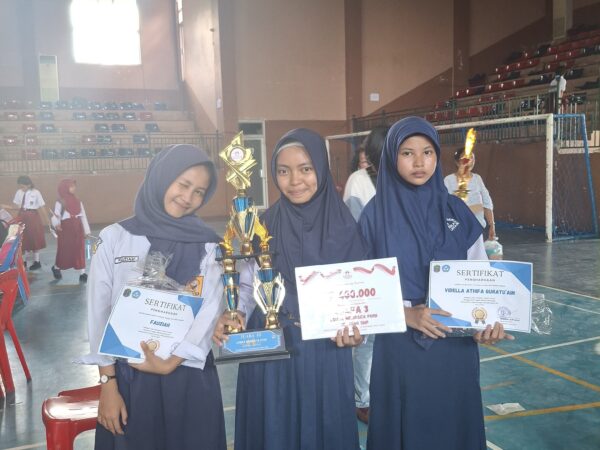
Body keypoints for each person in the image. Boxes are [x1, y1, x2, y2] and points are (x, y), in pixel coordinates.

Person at [359, 117, 513, 450]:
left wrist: (485, 322)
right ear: (391, 157)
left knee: (452, 428)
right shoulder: (373, 217)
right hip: (401, 350)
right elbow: (362, 292)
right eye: (407, 153)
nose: (419, 162)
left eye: (427, 152)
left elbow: (480, 274)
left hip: (454, 349)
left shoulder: (456, 210)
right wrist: (407, 315)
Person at [214, 128, 369, 450]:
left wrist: (359, 331)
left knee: (323, 428)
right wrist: (235, 312)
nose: (295, 180)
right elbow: (248, 284)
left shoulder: (346, 226)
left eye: (305, 169)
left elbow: (360, 293)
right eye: (283, 171)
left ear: (321, 170)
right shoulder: (263, 223)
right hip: (271, 346)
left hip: (326, 350)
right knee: (274, 429)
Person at [83, 144, 233, 450]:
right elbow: (98, 313)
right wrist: (108, 383)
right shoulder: (115, 238)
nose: (188, 197)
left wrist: (172, 361)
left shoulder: (209, 245)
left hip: (188, 374)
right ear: (161, 177)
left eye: (199, 192)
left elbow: (209, 310)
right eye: (183, 184)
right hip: (130, 378)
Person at [342, 125, 388, 424]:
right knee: (367, 342)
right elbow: (353, 230)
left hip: (403, 274)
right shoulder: (358, 181)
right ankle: (363, 400)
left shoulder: (406, 180)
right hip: (370, 272)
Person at [444, 149, 496, 241]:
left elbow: (487, 203)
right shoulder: (448, 180)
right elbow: (444, 206)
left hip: (477, 229)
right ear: (457, 162)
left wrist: (492, 225)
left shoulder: (477, 179)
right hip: (457, 231)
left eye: (472, 158)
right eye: (465, 158)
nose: (469, 161)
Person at [1, 175, 51, 270]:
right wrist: (6, 206)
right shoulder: (19, 192)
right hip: (22, 216)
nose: (21, 188)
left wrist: (47, 219)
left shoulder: (36, 192)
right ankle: (24, 262)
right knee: (23, 238)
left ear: (29, 184)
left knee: (34, 238)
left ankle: (37, 261)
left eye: (23, 186)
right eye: (20, 186)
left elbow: (42, 206)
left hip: (33, 216)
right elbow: (17, 207)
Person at [50, 179, 91, 282]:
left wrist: (86, 230)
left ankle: (82, 273)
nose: (74, 188)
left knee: (79, 250)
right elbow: (56, 215)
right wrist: (56, 224)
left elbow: (83, 216)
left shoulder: (78, 201)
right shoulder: (60, 201)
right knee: (64, 250)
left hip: (77, 228)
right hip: (65, 229)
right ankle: (56, 267)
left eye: (74, 186)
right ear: (65, 188)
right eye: (71, 186)